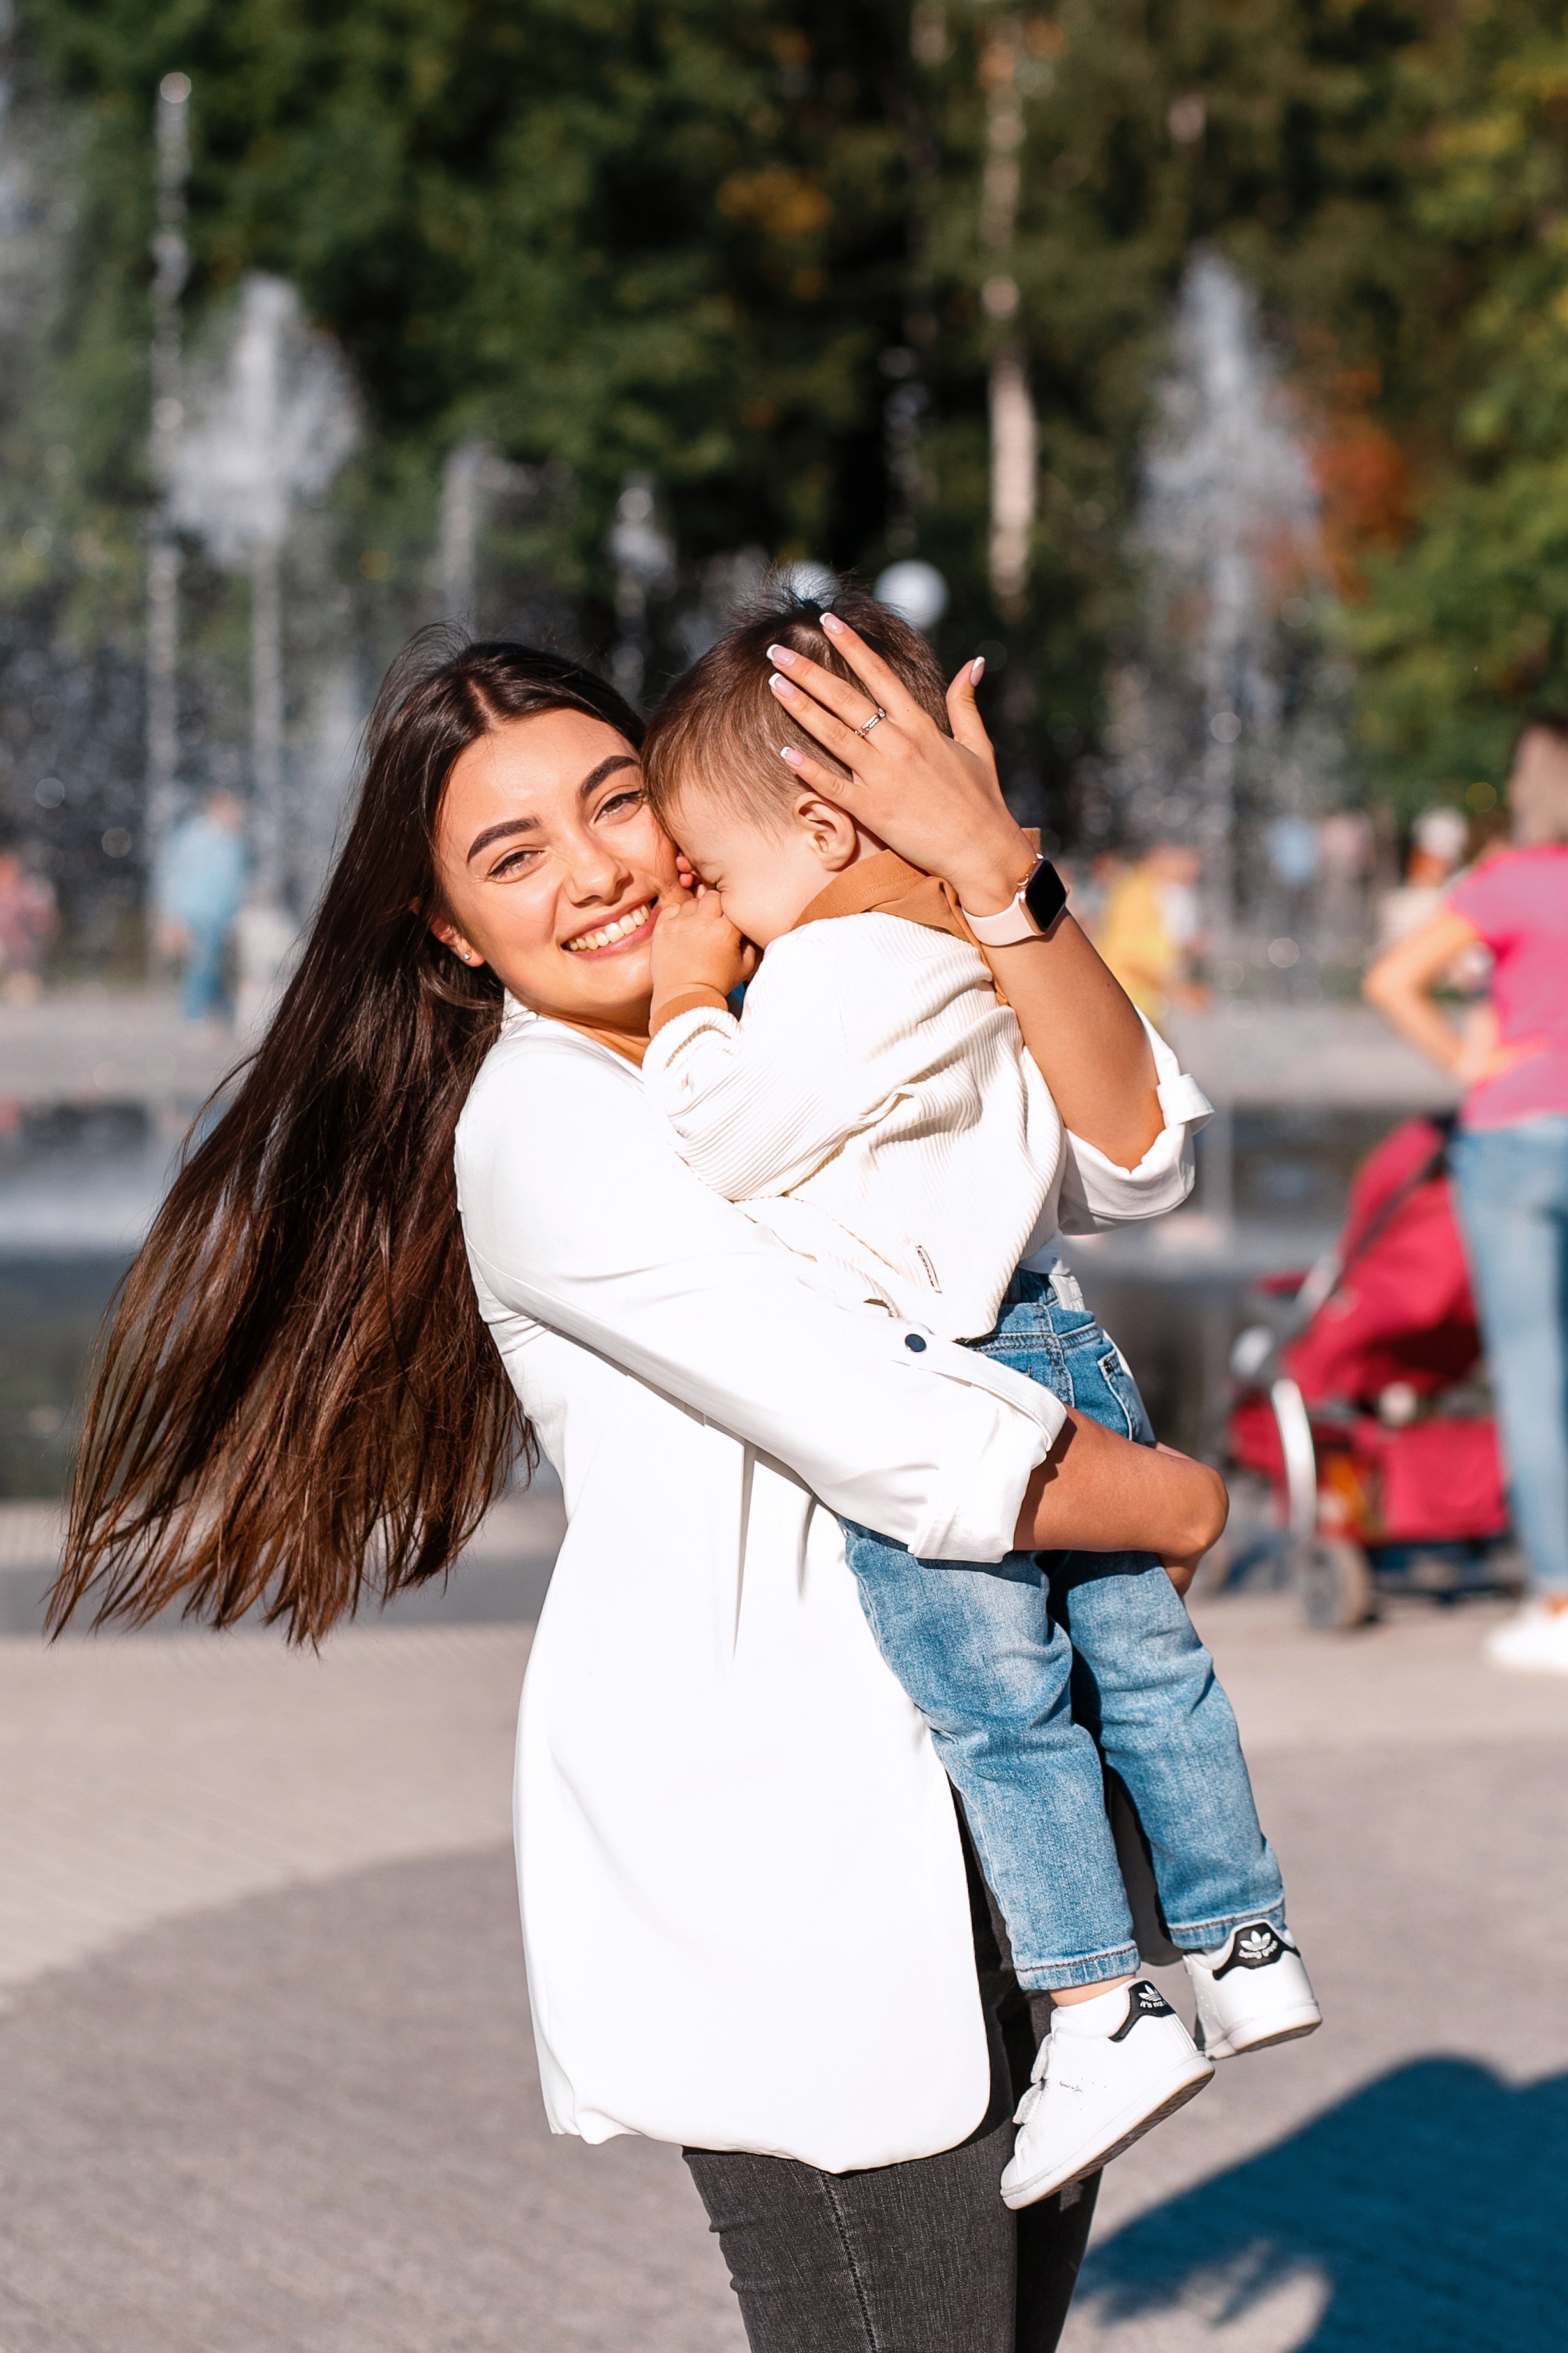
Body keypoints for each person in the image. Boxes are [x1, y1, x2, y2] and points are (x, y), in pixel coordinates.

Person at [53, 630, 1225, 2352]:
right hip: (795, 1847)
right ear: (450, 930)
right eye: (514, 853)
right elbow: (894, 1432)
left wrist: (992, 874)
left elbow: (1140, 1158)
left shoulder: (802, 1005)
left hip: (1009, 1808)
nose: (600, 869)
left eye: (616, 801)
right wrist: (1180, 1505)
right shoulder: (550, 1127)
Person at [638, 593, 1318, 2210]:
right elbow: (1133, 1161)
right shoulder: (955, 952)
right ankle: (1241, 1936)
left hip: (952, 1370)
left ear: (819, 826)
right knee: (1145, 1675)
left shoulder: (824, 971)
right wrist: (992, 894)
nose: (715, 913)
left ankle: (1100, 1998)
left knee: (1001, 1714)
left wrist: (682, 1010)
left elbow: (729, 1147)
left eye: (721, 877)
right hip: (1063, 1337)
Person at [1365, 715, 1568, 1675]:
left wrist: (1464, 1057)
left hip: (1516, 1135)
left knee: (1532, 1372)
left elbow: (1391, 978)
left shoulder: (1508, 883)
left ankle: (1558, 1595)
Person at [153, 789, 248, 1020]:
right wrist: (169, 915)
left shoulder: (233, 841)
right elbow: (170, 874)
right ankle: (193, 1018)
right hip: (194, 913)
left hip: (221, 917)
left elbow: (237, 883)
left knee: (211, 966)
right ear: (216, 809)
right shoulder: (194, 837)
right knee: (204, 965)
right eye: (232, 809)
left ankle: (228, 1016)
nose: (238, 814)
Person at [1091, 842, 1205, 1030]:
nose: (1194, 868)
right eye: (1186, 859)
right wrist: (1179, 990)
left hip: (1140, 1009)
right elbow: (1126, 958)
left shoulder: (1153, 890)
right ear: (1161, 854)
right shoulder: (1136, 893)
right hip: (1127, 1008)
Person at [0, 844, 57, 1002]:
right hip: (5, 952)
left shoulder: (27, 891)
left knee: (22, 996)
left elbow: (44, 922)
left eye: (9, 867)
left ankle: (23, 981)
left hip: (22, 956)